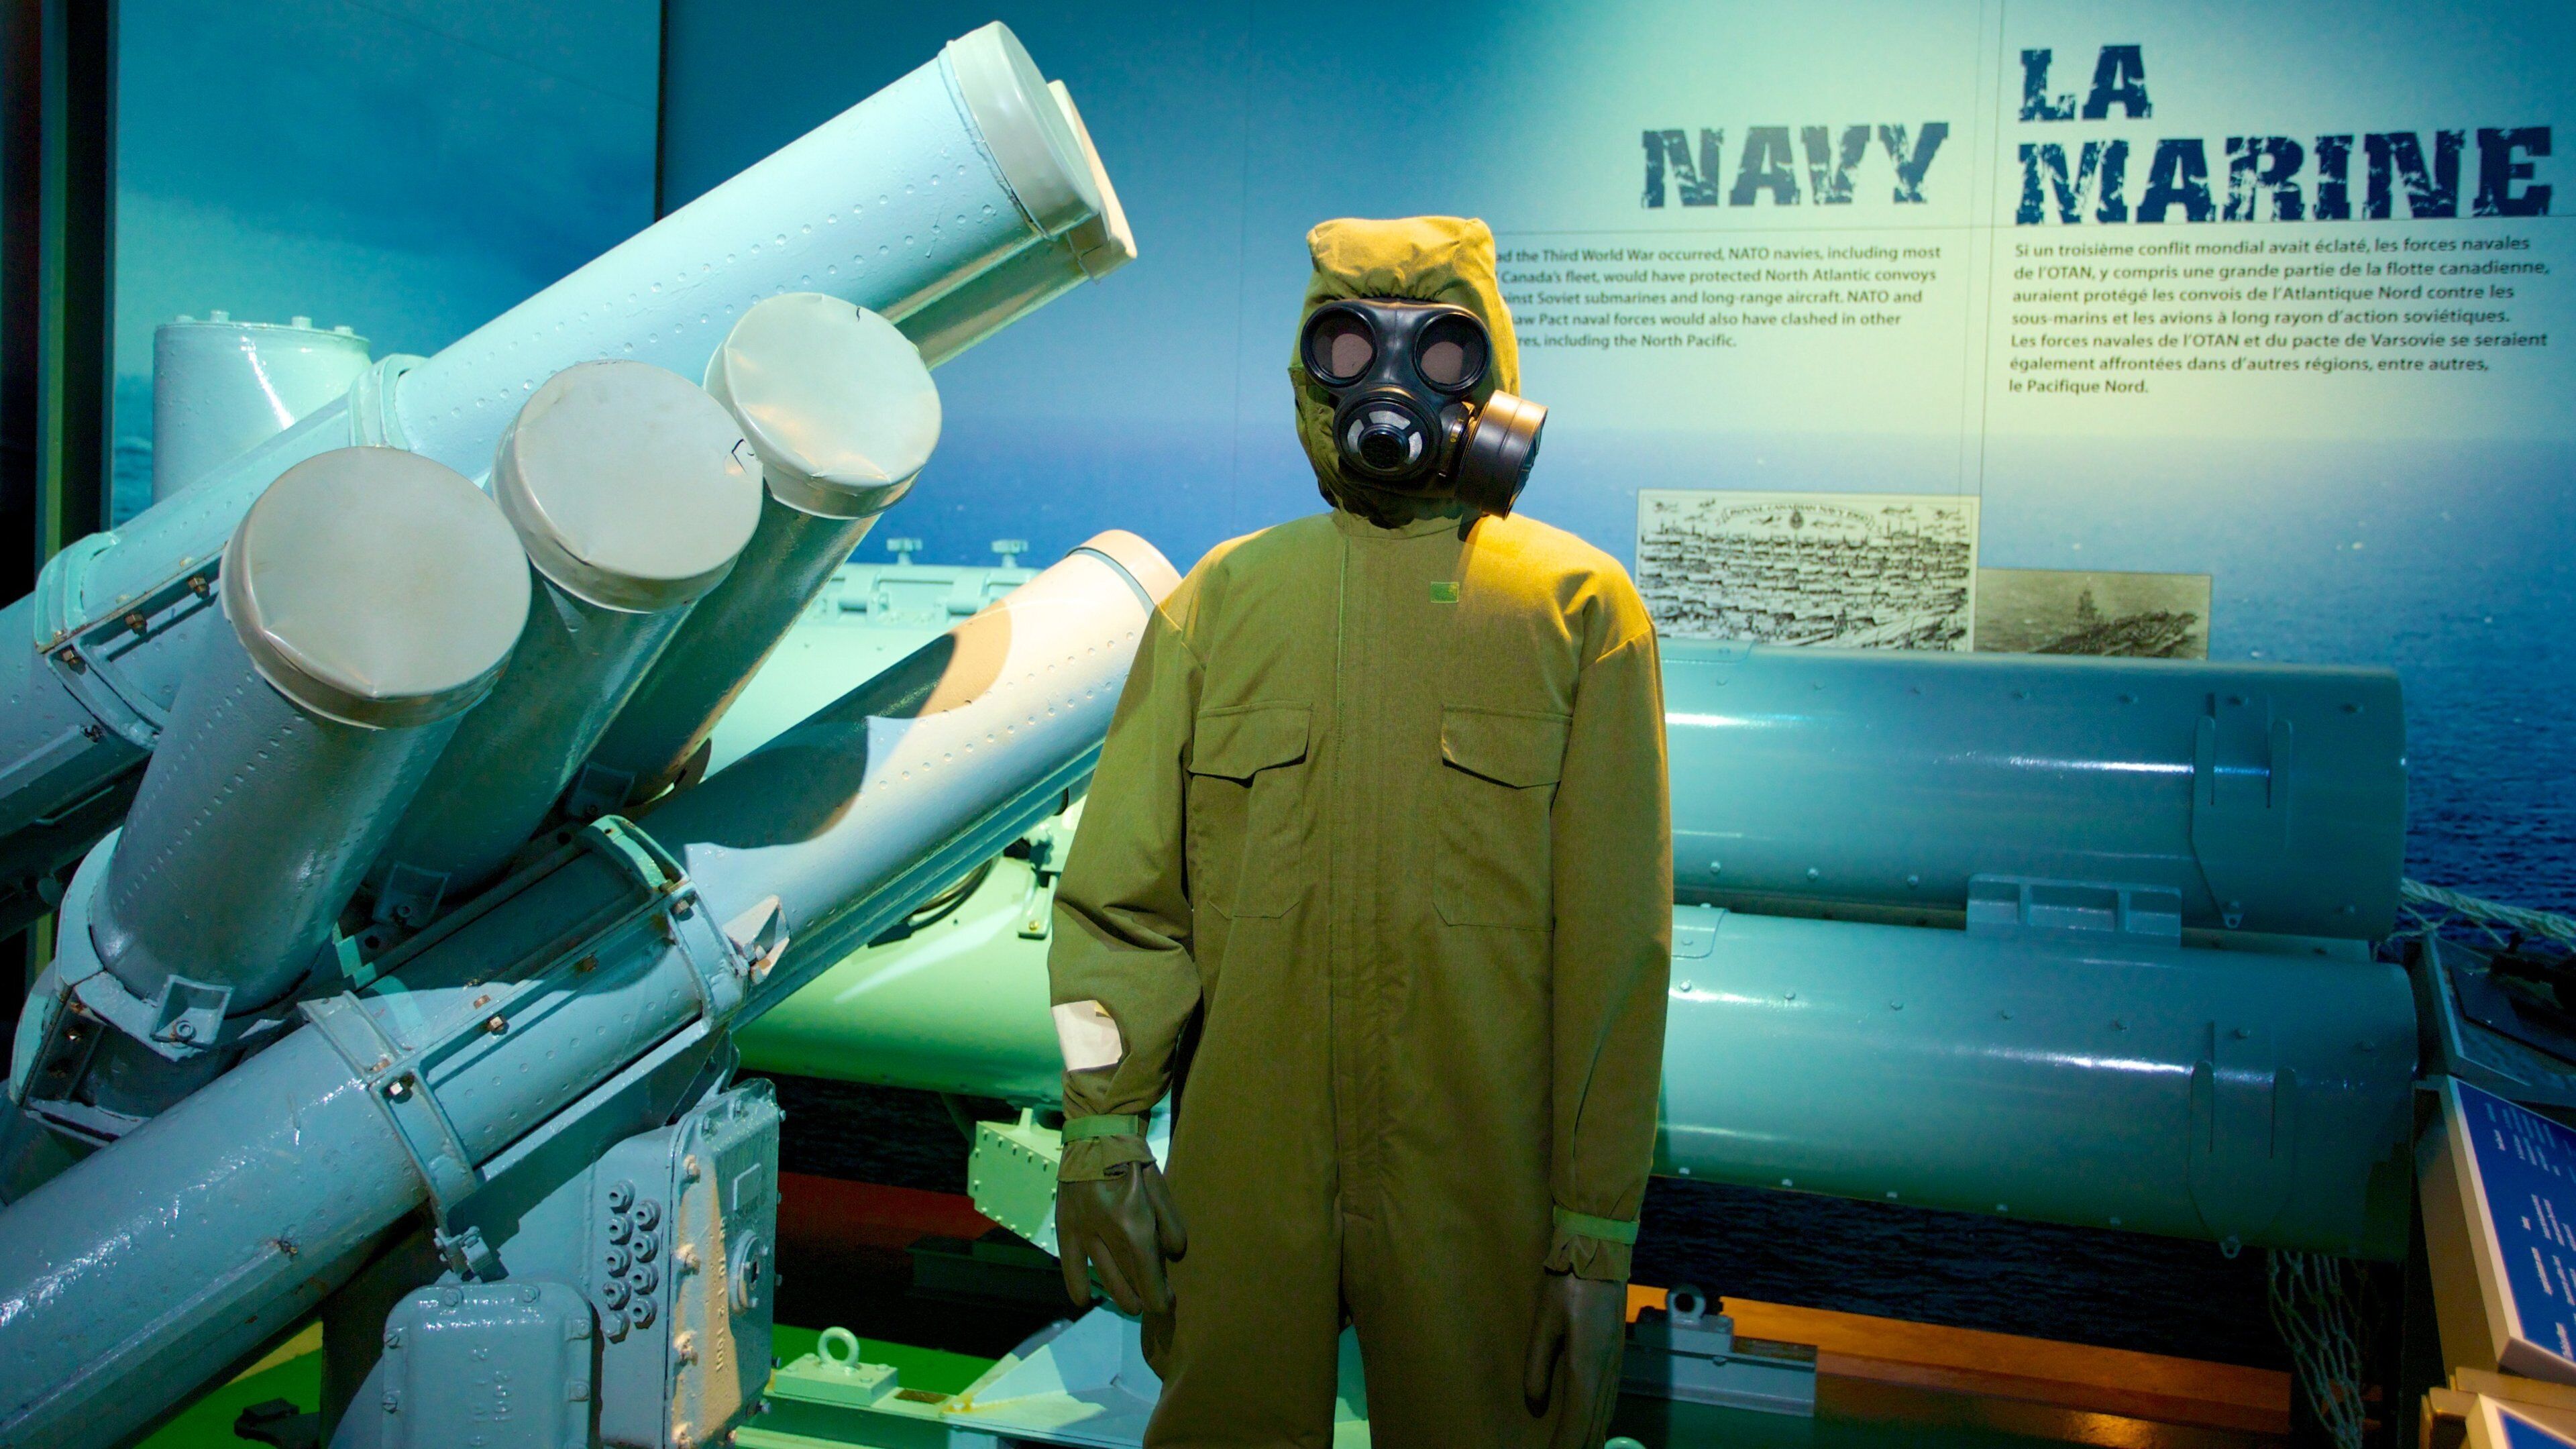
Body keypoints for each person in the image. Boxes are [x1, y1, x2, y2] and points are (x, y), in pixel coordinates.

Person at [1047, 215, 1671, 1448]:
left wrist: (1594, 1237)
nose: (1389, 385)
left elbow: (1618, 952)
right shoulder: (1222, 604)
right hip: (1247, 1178)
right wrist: (1102, 1130)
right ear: (1308, 374)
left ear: (1491, 378)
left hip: (1478, 1191)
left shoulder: (1581, 613)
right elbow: (1118, 900)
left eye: (1437, 352)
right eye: (1348, 346)